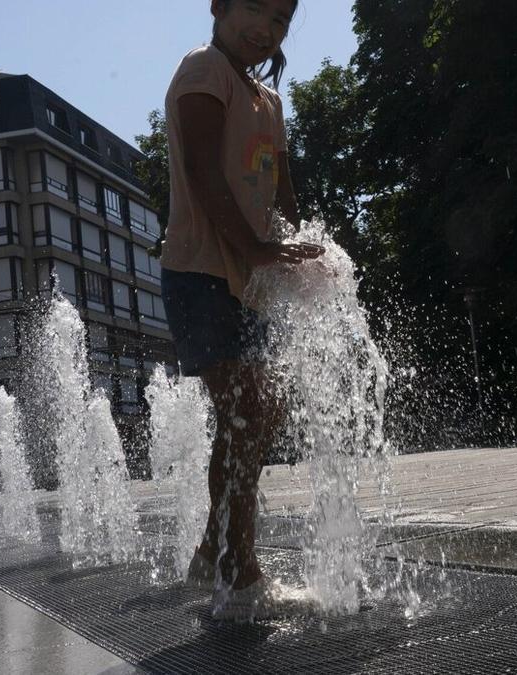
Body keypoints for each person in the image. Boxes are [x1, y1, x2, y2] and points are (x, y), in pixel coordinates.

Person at [159, 0, 323, 620]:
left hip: (251, 279)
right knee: (246, 408)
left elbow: (281, 193)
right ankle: (238, 563)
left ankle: (213, 549)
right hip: (201, 270)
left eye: (281, 19)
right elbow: (203, 172)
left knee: (257, 414)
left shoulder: (268, 101)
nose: (267, 27)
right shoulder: (205, 72)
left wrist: (303, 248)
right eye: (255, 7)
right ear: (219, 7)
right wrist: (257, 250)